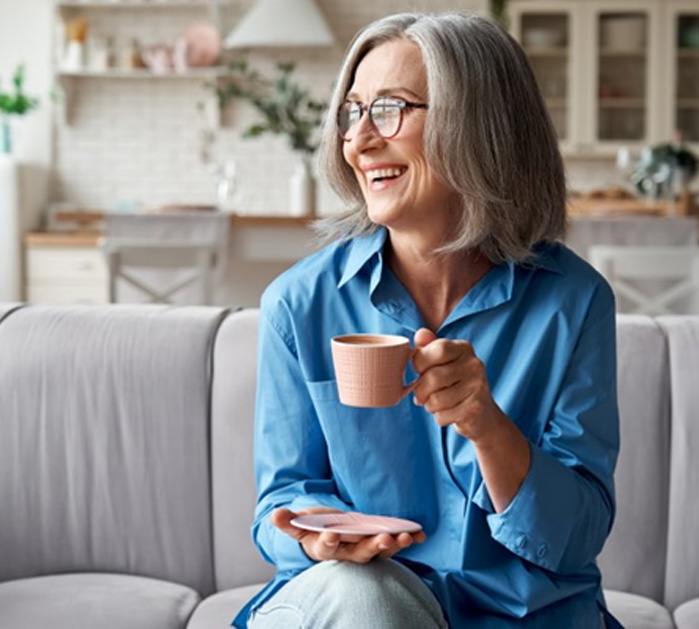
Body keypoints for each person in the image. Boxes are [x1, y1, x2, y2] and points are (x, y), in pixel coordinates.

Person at [233, 11, 621, 629]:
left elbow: (575, 538)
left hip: (523, 616)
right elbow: (279, 503)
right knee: (366, 600)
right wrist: (315, 538)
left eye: (388, 108)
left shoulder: (573, 304)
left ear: (479, 125)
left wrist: (487, 426)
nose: (359, 141)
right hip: (357, 604)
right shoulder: (299, 304)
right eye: (351, 112)